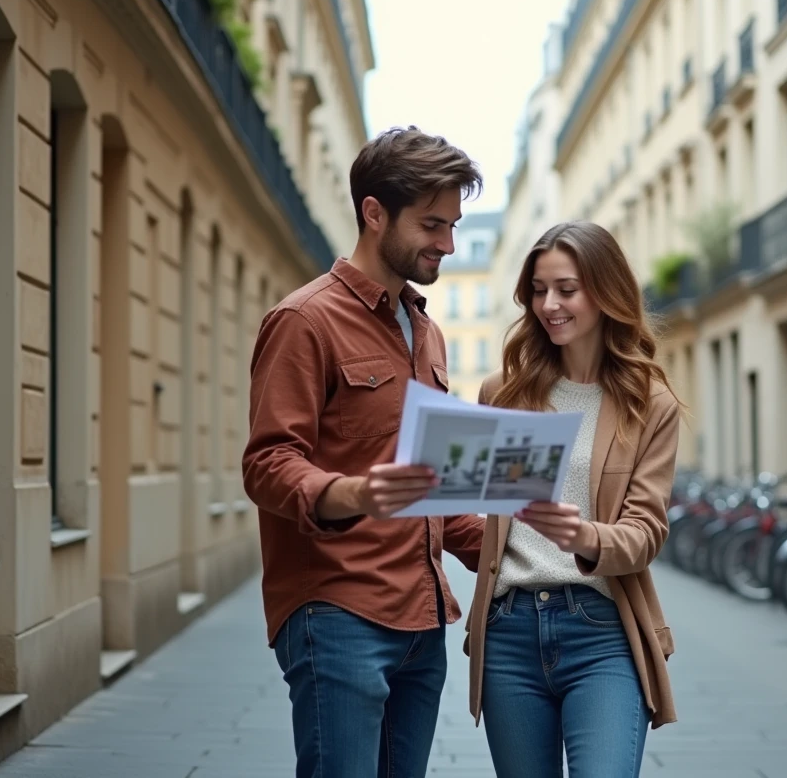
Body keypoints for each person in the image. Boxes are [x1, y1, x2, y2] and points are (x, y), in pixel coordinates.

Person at [242, 125, 487, 778]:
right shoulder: (304, 321)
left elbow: (436, 486)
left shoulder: (428, 333)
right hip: (338, 613)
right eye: (433, 225)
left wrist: (522, 542)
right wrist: (352, 492)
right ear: (374, 214)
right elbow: (266, 463)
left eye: (454, 224)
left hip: (424, 617)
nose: (449, 244)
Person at [462, 221, 682, 777]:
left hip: (601, 631)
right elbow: (483, 507)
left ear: (606, 292)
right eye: (538, 290)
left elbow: (647, 532)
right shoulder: (505, 394)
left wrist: (584, 536)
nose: (549, 305)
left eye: (566, 289)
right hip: (509, 632)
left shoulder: (647, 402)